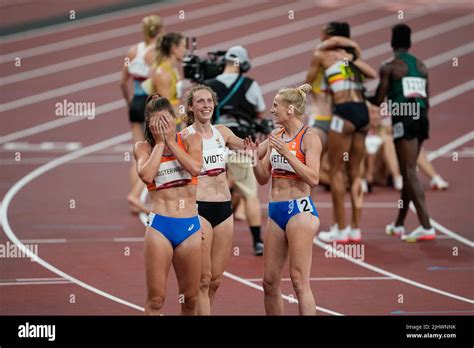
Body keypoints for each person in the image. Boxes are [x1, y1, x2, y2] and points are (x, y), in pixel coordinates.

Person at [246, 84, 322, 315]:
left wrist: (289, 155)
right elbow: (262, 179)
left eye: (275, 106)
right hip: (276, 210)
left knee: (299, 282)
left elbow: (313, 178)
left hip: (299, 211)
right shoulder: (276, 136)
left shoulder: (310, 137)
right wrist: (253, 160)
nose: (271, 110)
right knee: (269, 282)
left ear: (290, 110)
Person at [181, 85, 253, 314]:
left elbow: (250, 150)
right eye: (200, 102)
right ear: (191, 107)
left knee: (215, 281)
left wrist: (276, 135)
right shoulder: (184, 137)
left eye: (209, 101)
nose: (206, 105)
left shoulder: (222, 132)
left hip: (224, 209)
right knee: (203, 279)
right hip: (199, 208)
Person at [134, 94, 203, 315]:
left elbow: (194, 168)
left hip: (189, 227)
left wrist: (171, 142)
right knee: (156, 299)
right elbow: (146, 175)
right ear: (149, 124)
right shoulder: (143, 148)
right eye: (157, 122)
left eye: (167, 120)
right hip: (160, 227)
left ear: (175, 118)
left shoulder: (192, 140)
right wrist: (160, 143)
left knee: (191, 299)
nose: (163, 126)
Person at [309, 22, 377, 243]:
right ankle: (355, 229)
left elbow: (308, 82)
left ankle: (338, 228)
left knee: (336, 171)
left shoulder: (322, 55)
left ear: (330, 37)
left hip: (343, 114)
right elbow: (371, 73)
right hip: (363, 114)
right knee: (355, 174)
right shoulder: (353, 57)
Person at [370, 24, 435, 242]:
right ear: (410, 43)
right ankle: (399, 224)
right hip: (422, 118)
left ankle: (426, 226)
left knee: (408, 171)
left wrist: (360, 95)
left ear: (391, 43)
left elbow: (379, 99)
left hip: (404, 120)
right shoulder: (422, 66)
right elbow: (427, 99)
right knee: (409, 173)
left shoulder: (389, 67)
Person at [204, 45, 266, 255]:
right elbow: (259, 112)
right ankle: (258, 241)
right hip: (240, 142)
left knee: (211, 190)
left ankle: (206, 235)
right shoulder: (250, 84)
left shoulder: (209, 85)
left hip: (216, 142)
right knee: (250, 193)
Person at [120, 15, 163, 214]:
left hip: (136, 102)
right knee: (154, 149)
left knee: (137, 151)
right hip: (150, 103)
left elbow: (122, 82)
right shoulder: (156, 53)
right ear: (160, 31)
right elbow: (157, 80)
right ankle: (143, 195)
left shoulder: (132, 50)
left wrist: (130, 102)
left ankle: (133, 197)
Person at [143, 32, 187, 129]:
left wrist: (184, 117)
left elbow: (176, 99)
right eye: (183, 47)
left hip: (176, 121)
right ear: (174, 49)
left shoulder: (172, 70)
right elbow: (164, 107)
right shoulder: (163, 74)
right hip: (167, 126)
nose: (185, 50)